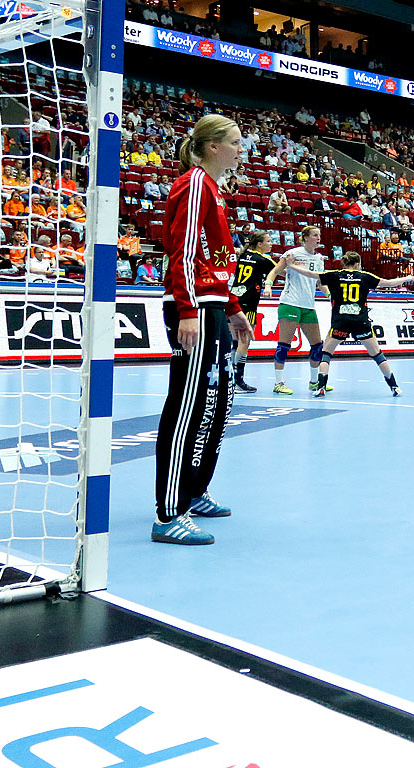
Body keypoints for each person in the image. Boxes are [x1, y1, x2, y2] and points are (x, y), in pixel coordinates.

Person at [153, 114, 252, 546]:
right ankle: (167, 513)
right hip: (192, 310)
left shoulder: (215, 190)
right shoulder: (193, 183)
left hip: (212, 308)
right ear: (214, 147)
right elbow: (183, 251)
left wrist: (232, 307)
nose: (241, 150)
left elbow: (215, 261)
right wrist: (189, 309)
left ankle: (194, 490)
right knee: (188, 406)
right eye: (235, 143)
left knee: (217, 399)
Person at [308, 251, 414, 397]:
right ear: (357, 264)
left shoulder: (335, 275)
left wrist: (291, 265)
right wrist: (408, 277)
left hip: (341, 321)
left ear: (345, 263)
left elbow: (310, 274)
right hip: (361, 321)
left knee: (326, 354)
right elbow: (389, 283)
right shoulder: (364, 276)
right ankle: (394, 387)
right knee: (377, 355)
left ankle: (321, 387)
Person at [262, 225, 330, 395]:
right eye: (315, 235)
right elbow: (274, 272)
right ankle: (279, 383)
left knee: (317, 345)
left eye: (319, 235)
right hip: (290, 303)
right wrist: (268, 286)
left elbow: (320, 283)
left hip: (308, 306)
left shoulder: (320, 259)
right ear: (306, 237)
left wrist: (330, 295)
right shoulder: (293, 254)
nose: (318, 238)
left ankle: (314, 382)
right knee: (284, 345)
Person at [228, 230, 277, 393]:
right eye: (268, 241)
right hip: (248, 303)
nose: (271, 244)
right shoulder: (263, 260)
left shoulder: (241, 255)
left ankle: (229, 378)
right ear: (260, 244)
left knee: (234, 342)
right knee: (244, 342)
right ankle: (238, 380)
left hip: (233, 301)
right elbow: (280, 271)